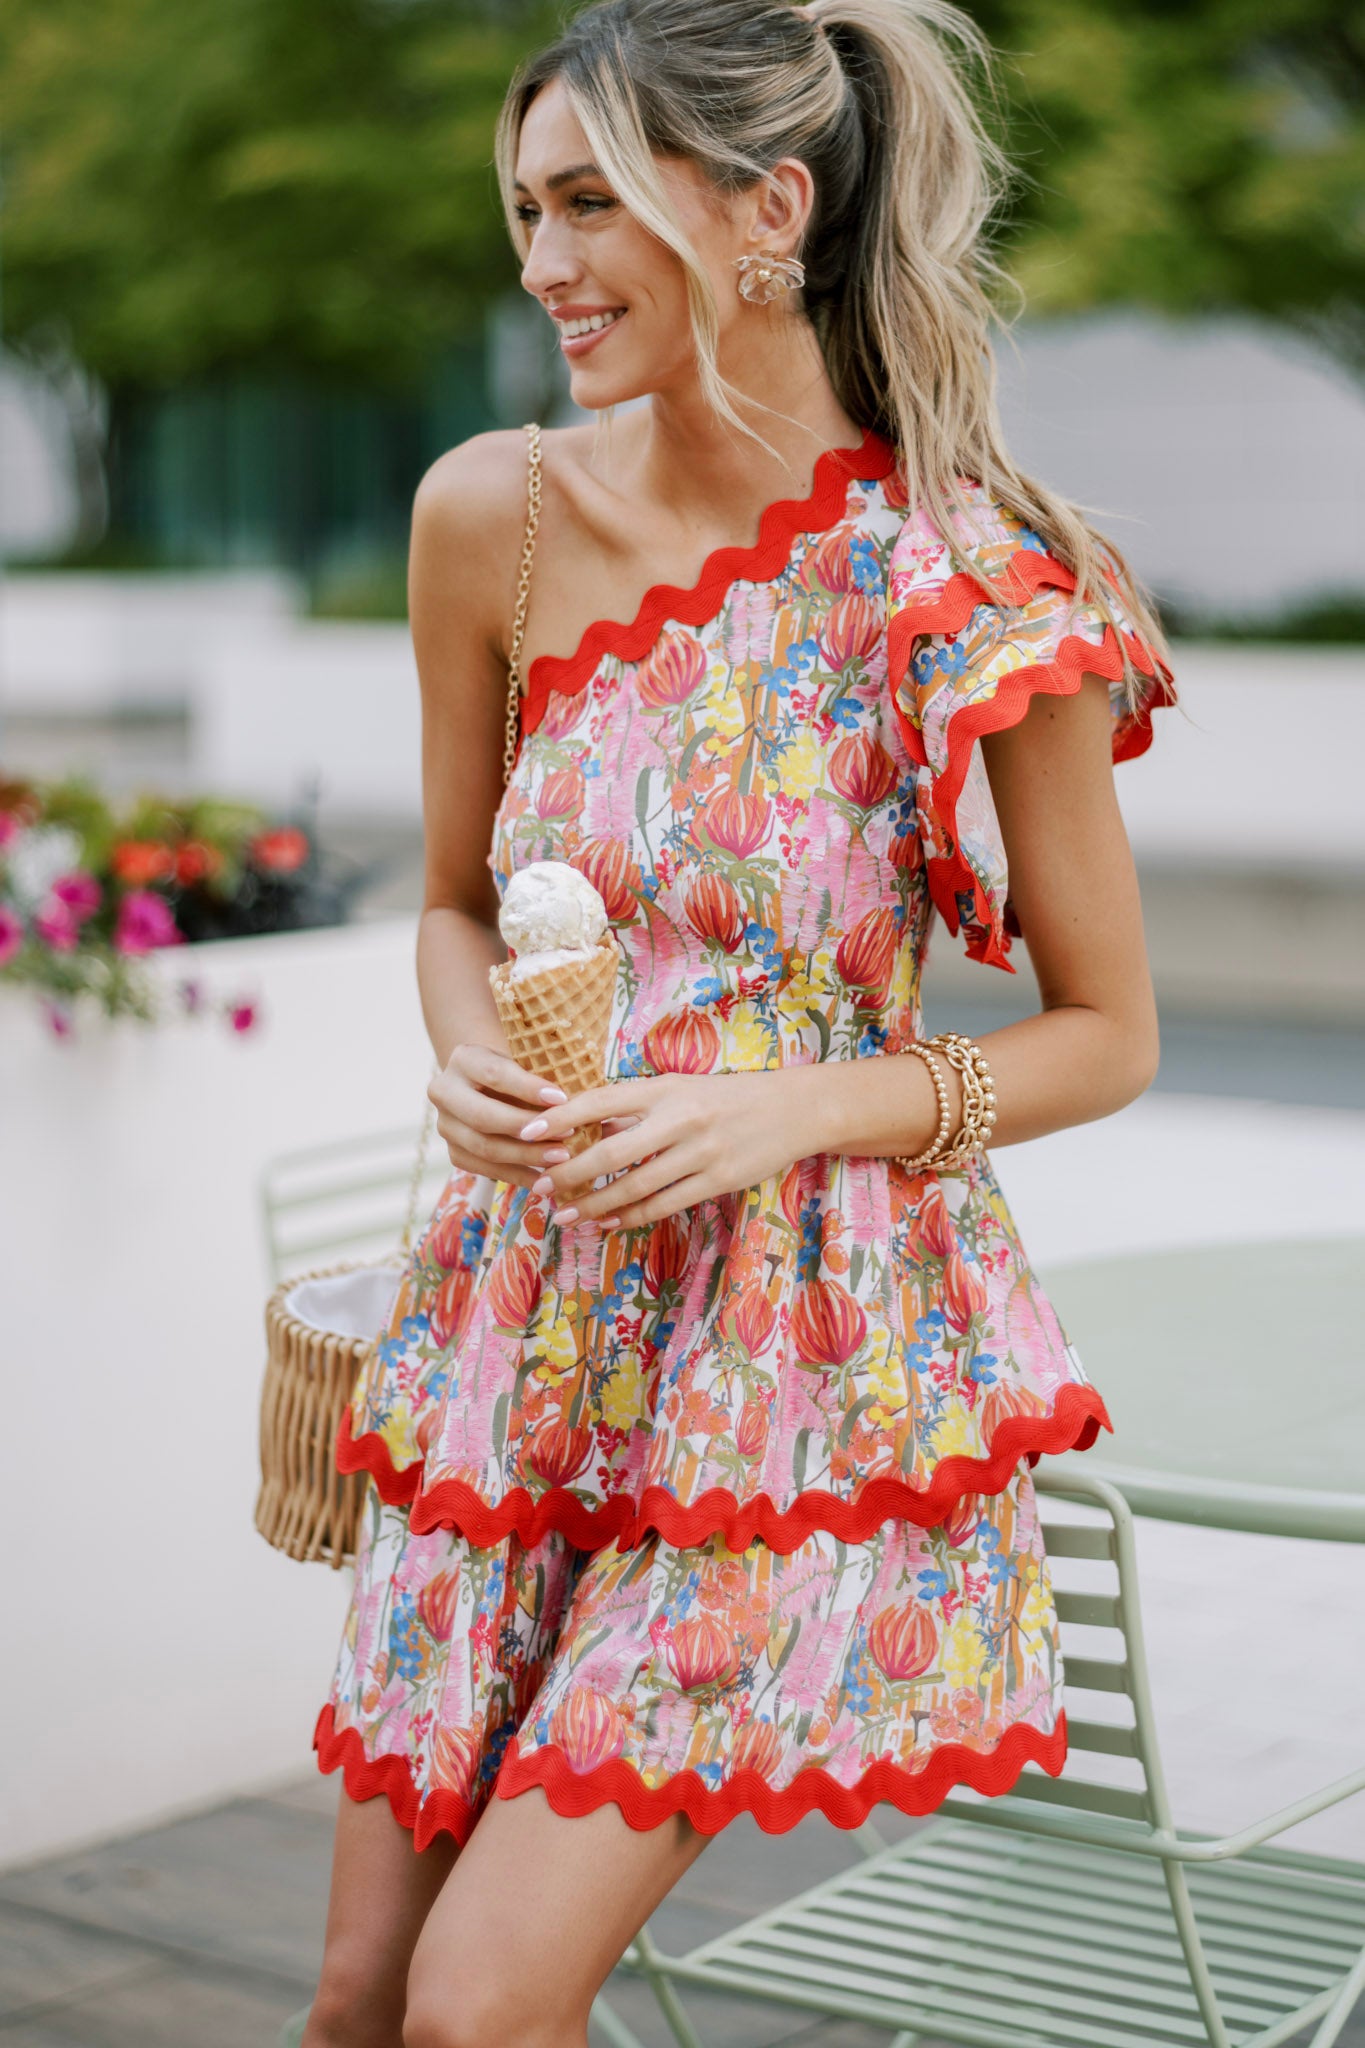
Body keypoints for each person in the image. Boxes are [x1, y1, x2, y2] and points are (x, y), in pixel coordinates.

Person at [303, 1, 1176, 2042]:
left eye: (590, 201)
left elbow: (1105, 1029)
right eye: (523, 206)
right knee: (354, 1996)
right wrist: (465, 1052)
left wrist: (791, 1111)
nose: (539, 260)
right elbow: (446, 898)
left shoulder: (979, 570)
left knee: (474, 2004)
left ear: (765, 209)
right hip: (518, 1325)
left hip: (801, 1362)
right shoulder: (488, 515)